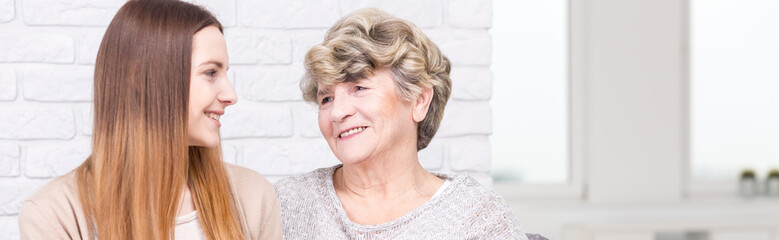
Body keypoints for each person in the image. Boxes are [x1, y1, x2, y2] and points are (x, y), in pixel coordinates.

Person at [18, 0, 281, 239]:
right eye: (211, 72)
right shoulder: (54, 216)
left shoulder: (253, 197)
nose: (230, 95)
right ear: (141, 78)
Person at [274, 8, 530, 239]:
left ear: (419, 100)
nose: (337, 113)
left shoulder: (476, 218)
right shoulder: (286, 204)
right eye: (327, 99)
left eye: (359, 88)